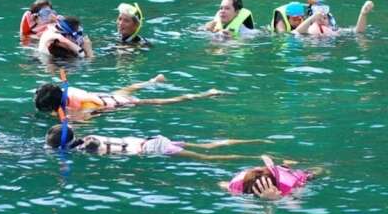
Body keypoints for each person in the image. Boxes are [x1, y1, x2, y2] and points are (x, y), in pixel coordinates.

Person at [46, 124, 270, 160]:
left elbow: (93, 149)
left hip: (154, 147)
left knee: (208, 158)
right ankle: (256, 140)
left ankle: (250, 156)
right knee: (208, 146)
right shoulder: (89, 138)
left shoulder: (88, 147)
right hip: (153, 140)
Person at [34, 74, 224, 116]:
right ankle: (153, 81)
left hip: (117, 104)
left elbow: (88, 118)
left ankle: (205, 94)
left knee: (163, 102)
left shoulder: (78, 105)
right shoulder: (68, 91)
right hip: (109, 96)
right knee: (128, 88)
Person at [220, 155, 320, 200]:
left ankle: (287, 163)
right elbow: (222, 184)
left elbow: (295, 205)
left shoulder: (289, 185)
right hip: (279, 173)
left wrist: (277, 199)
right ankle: (285, 162)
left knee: (316, 171)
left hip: (292, 174)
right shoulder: (238, 184)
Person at [293, 0, 374, 36]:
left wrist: (363, 14)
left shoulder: (334, 30)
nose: (321, 20)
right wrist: (312, 18)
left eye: (324, 18)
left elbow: (359, 31)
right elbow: (297, 32)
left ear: (330, 20)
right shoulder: (307, 30)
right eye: (318, 19)